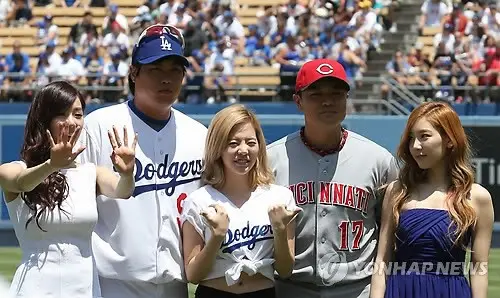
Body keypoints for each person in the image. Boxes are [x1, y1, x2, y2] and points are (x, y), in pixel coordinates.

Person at [78, 24, 208, 298]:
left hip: (176, 284)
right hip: (111, 283)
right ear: (134, 72)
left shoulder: (199, 135)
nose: (166, 79)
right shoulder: (99, 126)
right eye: (155, 69)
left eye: (175, 70)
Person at [266, 58, 399, 298]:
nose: (327, 101)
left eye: (337, 93)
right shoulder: (271, 159)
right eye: (315, 94)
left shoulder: (378, 160)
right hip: (289, 289)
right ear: (298, 101)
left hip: (358, 289)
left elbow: (391, 234)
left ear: (347, 99)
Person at [0, 81, 137, 297]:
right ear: (44, 119)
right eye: (62, 114)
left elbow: (123, 190)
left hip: (85, 290)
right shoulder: (15, 170)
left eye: (78, 115)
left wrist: (128, 173)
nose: (71, 122)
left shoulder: (91, 173)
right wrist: (52, 165)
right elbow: (21, 183)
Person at [370, 101, 494, 298]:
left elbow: (479, 268)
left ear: (449, 140)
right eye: (411, 138)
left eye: (424, 137)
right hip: (401, 291)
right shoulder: (398, 190)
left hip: (451, 292)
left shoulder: (477, 197)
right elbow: (382, 260)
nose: (415, 146)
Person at [181, 104, 301, 298]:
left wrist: (279, 230)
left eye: (251, 143)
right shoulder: (199, 200)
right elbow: (193, 275)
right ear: (218, 148)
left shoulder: (280, 197)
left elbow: (285, 270)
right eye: (233, 143)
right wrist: (217, 236)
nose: (243, 150)